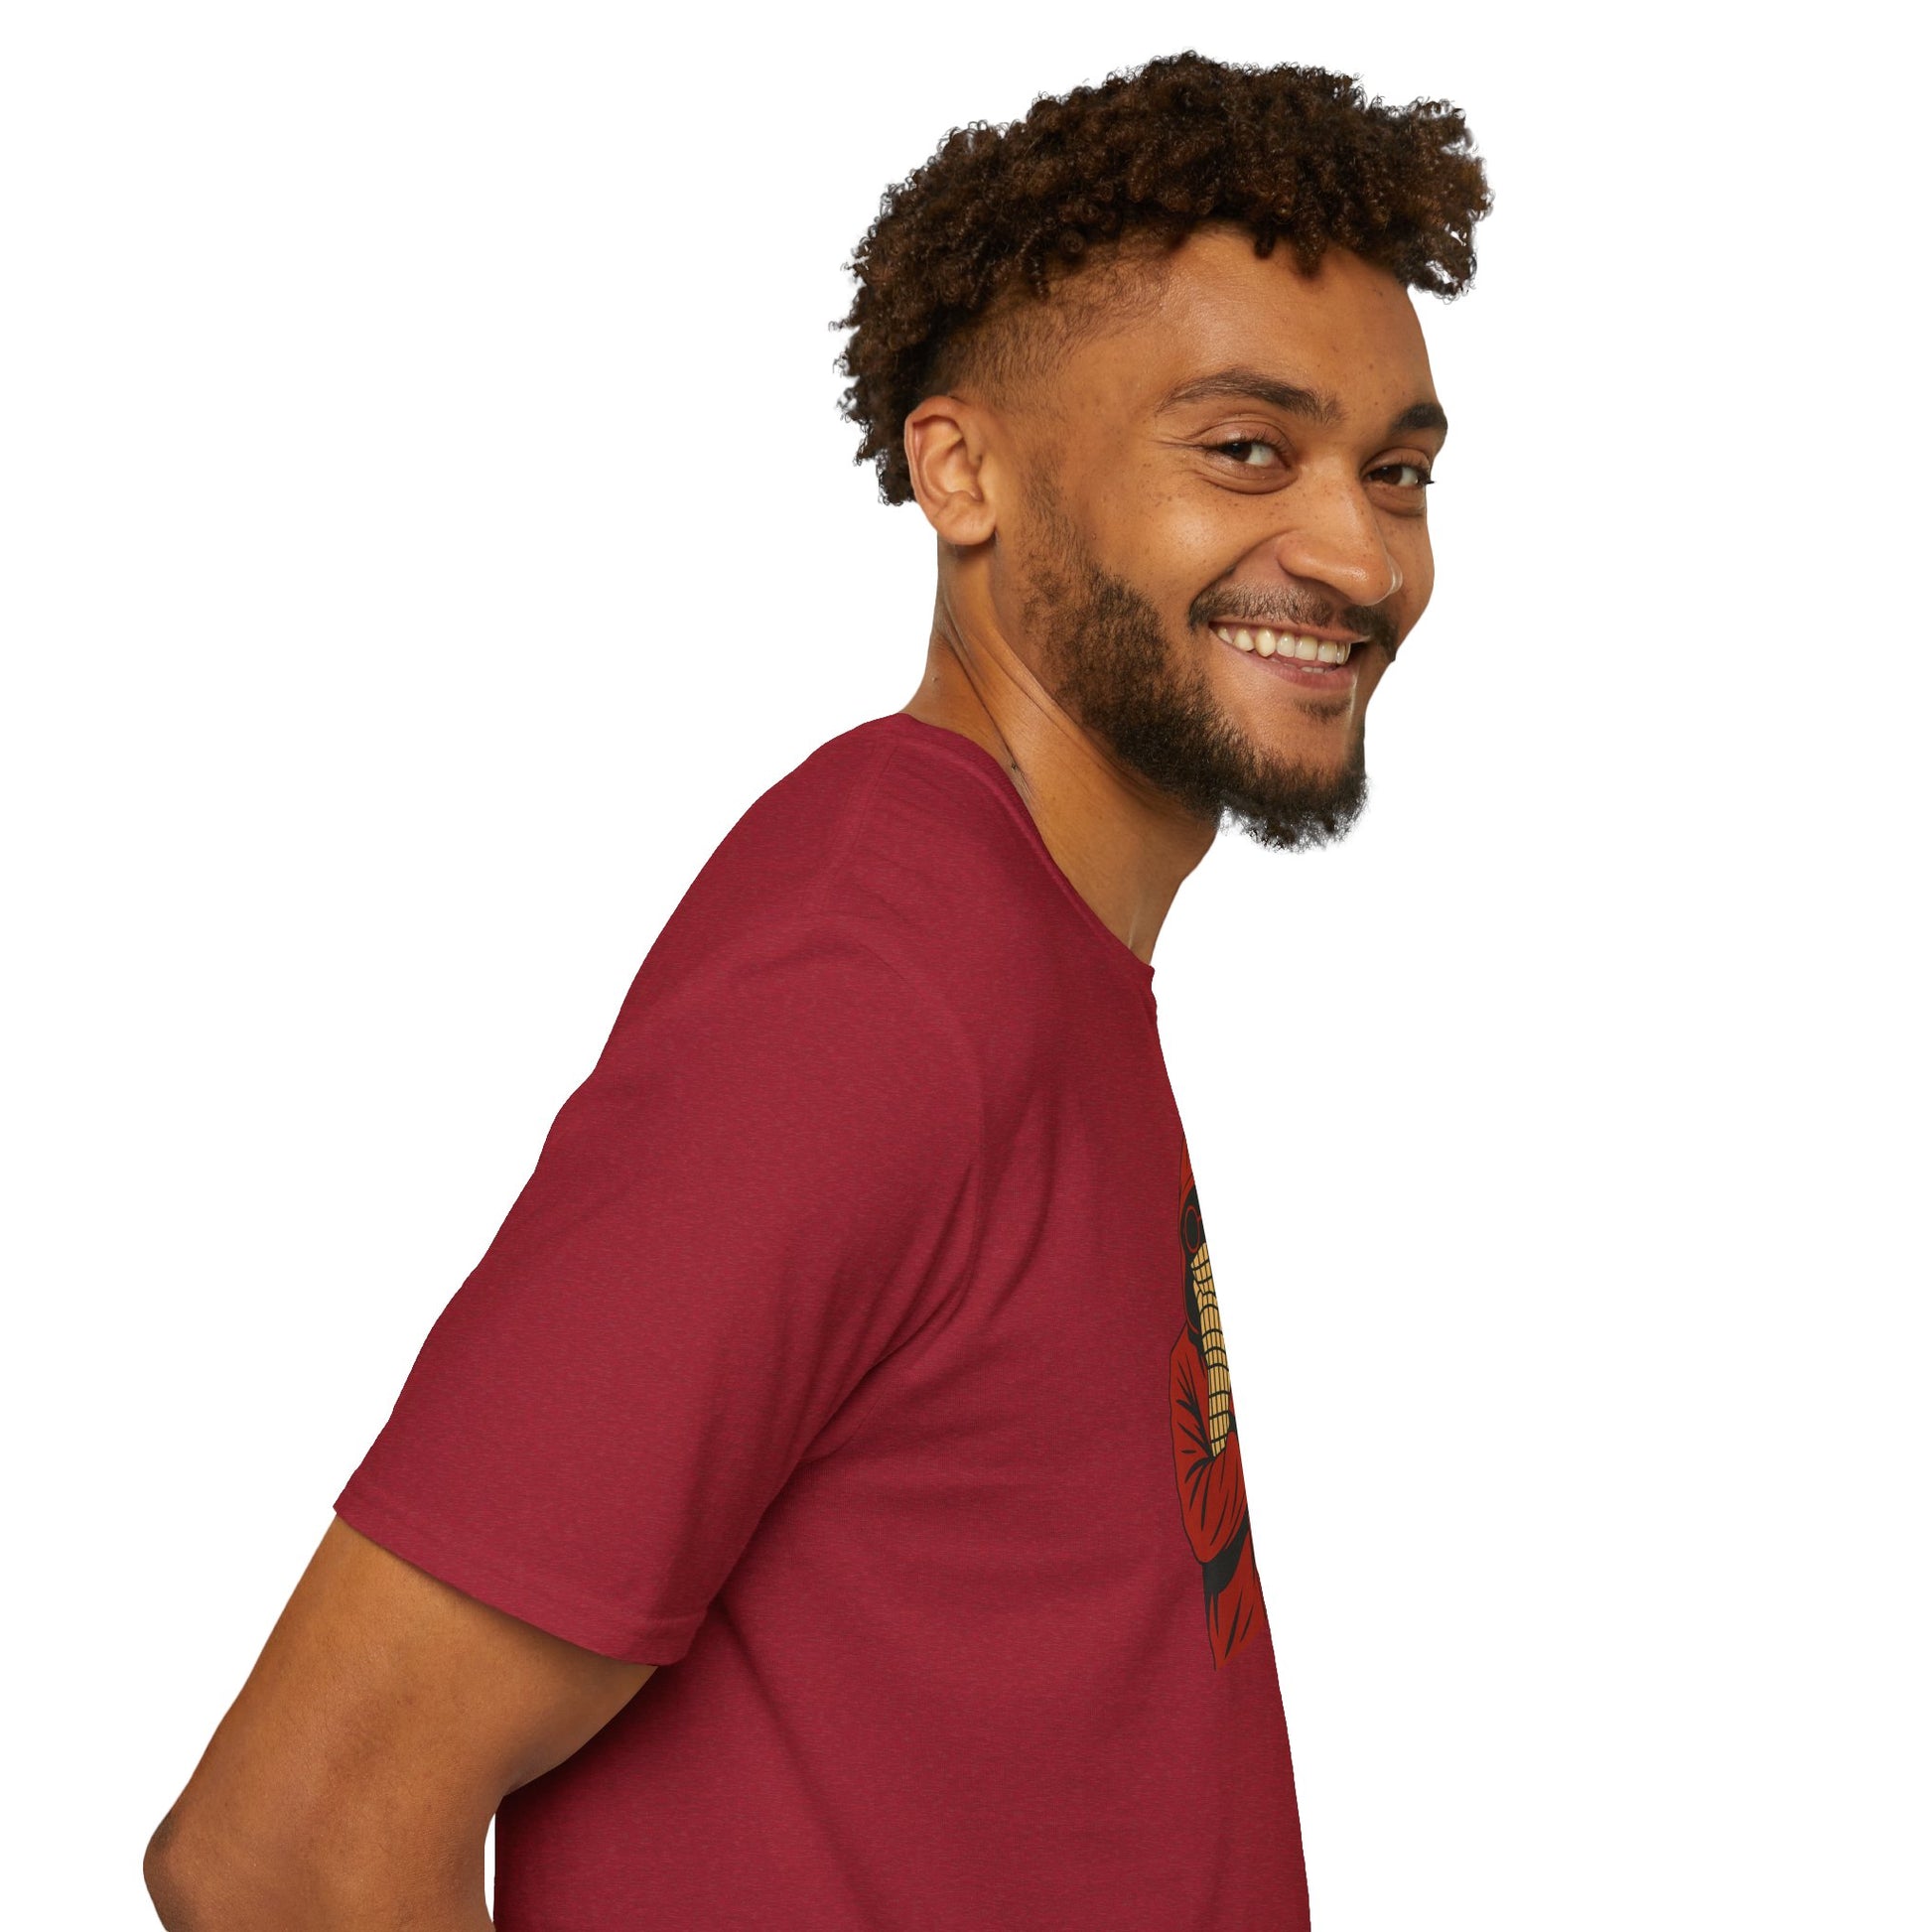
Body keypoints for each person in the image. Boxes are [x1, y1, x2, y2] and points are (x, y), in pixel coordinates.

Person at [146, 52, 1490, 1931]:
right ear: (964, 470)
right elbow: (287, 1844)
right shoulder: (874, 978)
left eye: (1398, 471)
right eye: (1244, 450)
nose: (1358, 552)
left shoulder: (1028, 954)